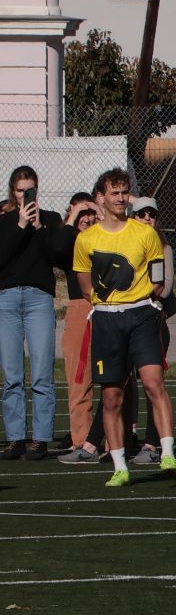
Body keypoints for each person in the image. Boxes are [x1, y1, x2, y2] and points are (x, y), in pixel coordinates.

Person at [71, 168, 176, 487]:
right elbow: (85, 284)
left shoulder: (144, 233)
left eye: (124, 192)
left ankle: (167, 452)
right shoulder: (86, 239)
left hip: (142, 315)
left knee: (154, 382)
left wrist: (141, 299)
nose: (120, 198)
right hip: (107, 320)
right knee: (112, 396)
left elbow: (158, 279)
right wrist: (108, 304)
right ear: (101, 197)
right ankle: (119, 466)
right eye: (114, 193)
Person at [0, 166, 62, 458]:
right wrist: (20, 225)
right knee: (12, 374)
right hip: (7, 298)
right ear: (12, 192)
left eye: (30, 190)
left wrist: (38, 228)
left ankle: (40, 438)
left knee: (41, 373)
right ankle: (15, 438)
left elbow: (56, 256)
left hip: (38, 299)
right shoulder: (4, 221)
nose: (25, 195)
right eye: (20, 191)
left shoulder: (50, 219)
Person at [53, 193, 102, 464]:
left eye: (89, 213)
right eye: (81, 214)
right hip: (79, 307)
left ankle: (116, 439)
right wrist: (73, 216)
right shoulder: (71, 241)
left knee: (114, 377)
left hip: (109, 306)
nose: (86, 218)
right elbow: (57, 251)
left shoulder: (105, 235)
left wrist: (98, 211)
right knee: (79, 377)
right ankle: (82, 440)